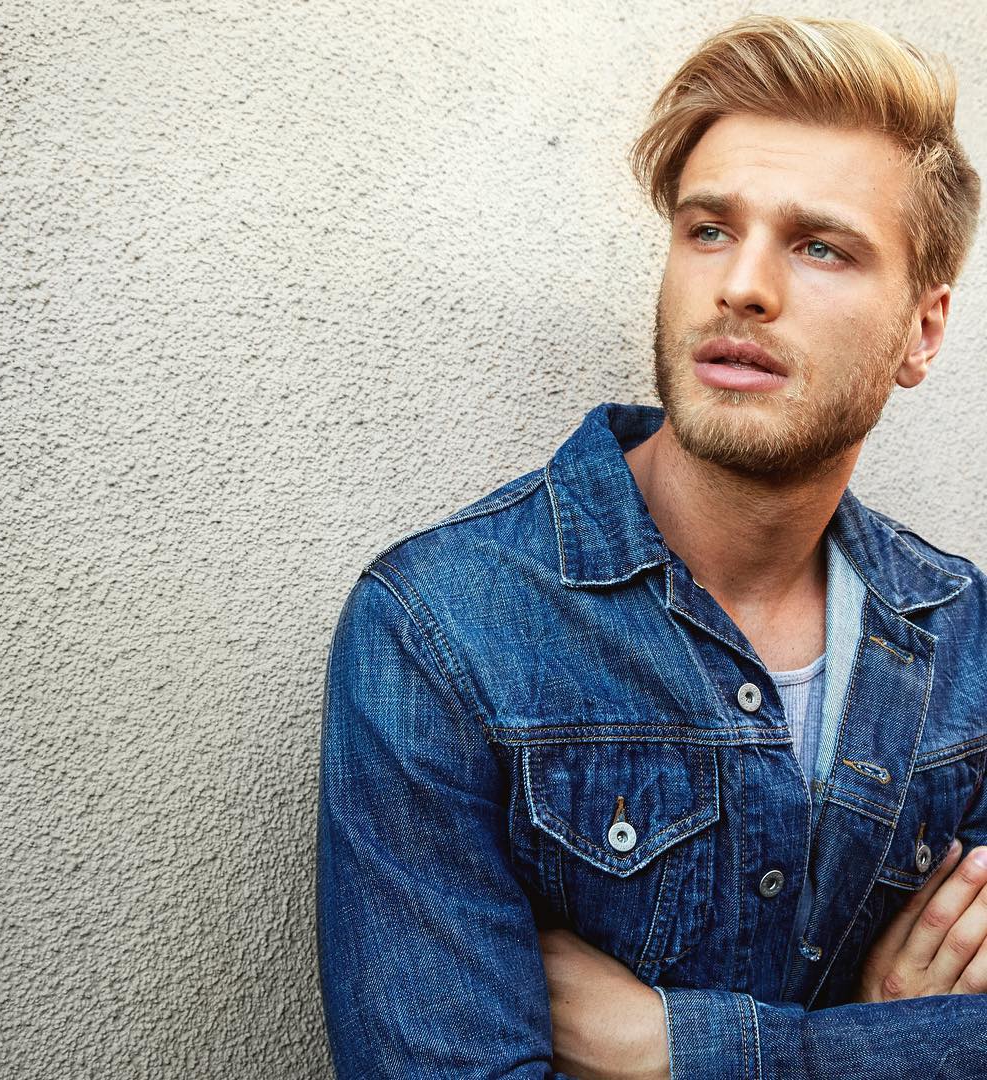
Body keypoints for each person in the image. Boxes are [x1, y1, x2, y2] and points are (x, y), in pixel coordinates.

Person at [316, 15, 987, 1079]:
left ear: (923, 329)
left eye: (820, 246)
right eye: (709, 230)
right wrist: (895, 1041)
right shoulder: (444, 631)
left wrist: (685, 1048)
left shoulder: (966, 638)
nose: (743, 286)